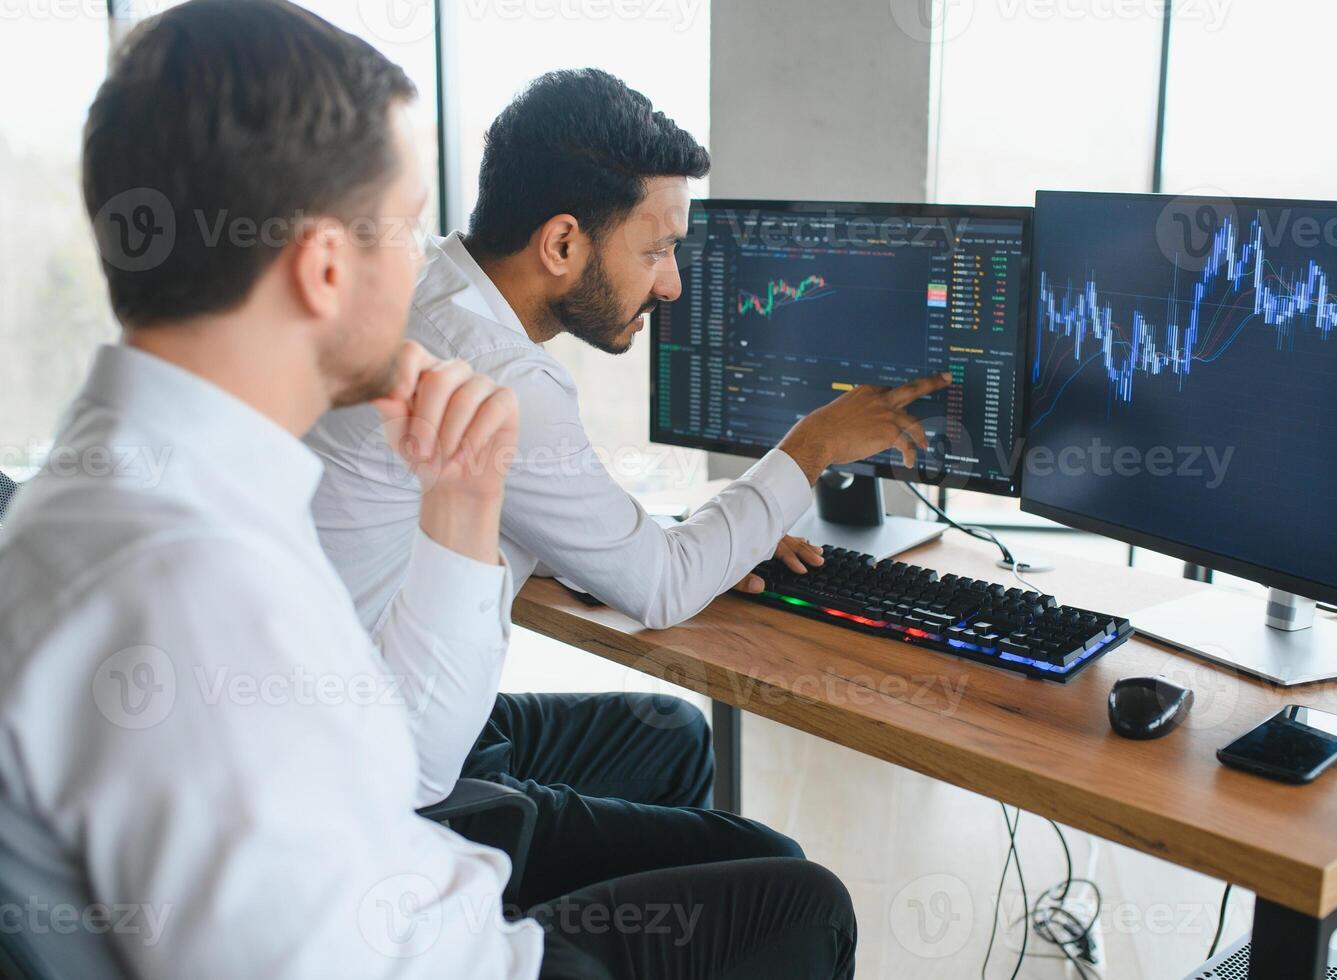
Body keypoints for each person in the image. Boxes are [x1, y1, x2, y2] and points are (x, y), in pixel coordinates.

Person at [0, 3, 856, 977]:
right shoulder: (201, 584)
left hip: (421, 871)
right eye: (406, 228)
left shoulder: (135, 474)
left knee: (679, 767)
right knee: (804, 902)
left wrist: (461, 515)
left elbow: (391, 764)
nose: (427, 267)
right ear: (324, 269)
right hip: (461, 947)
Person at [305, 69, 948, 899]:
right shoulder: (499, 373)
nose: (672, 284)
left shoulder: (429, 286)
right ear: (562, 242)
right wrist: (813, 445)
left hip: (362, 715)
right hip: (393, 793)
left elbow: (557, 524)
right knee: (792, 886)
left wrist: (718, 536)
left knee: (671, 735)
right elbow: (660, 587)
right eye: (655, 250)